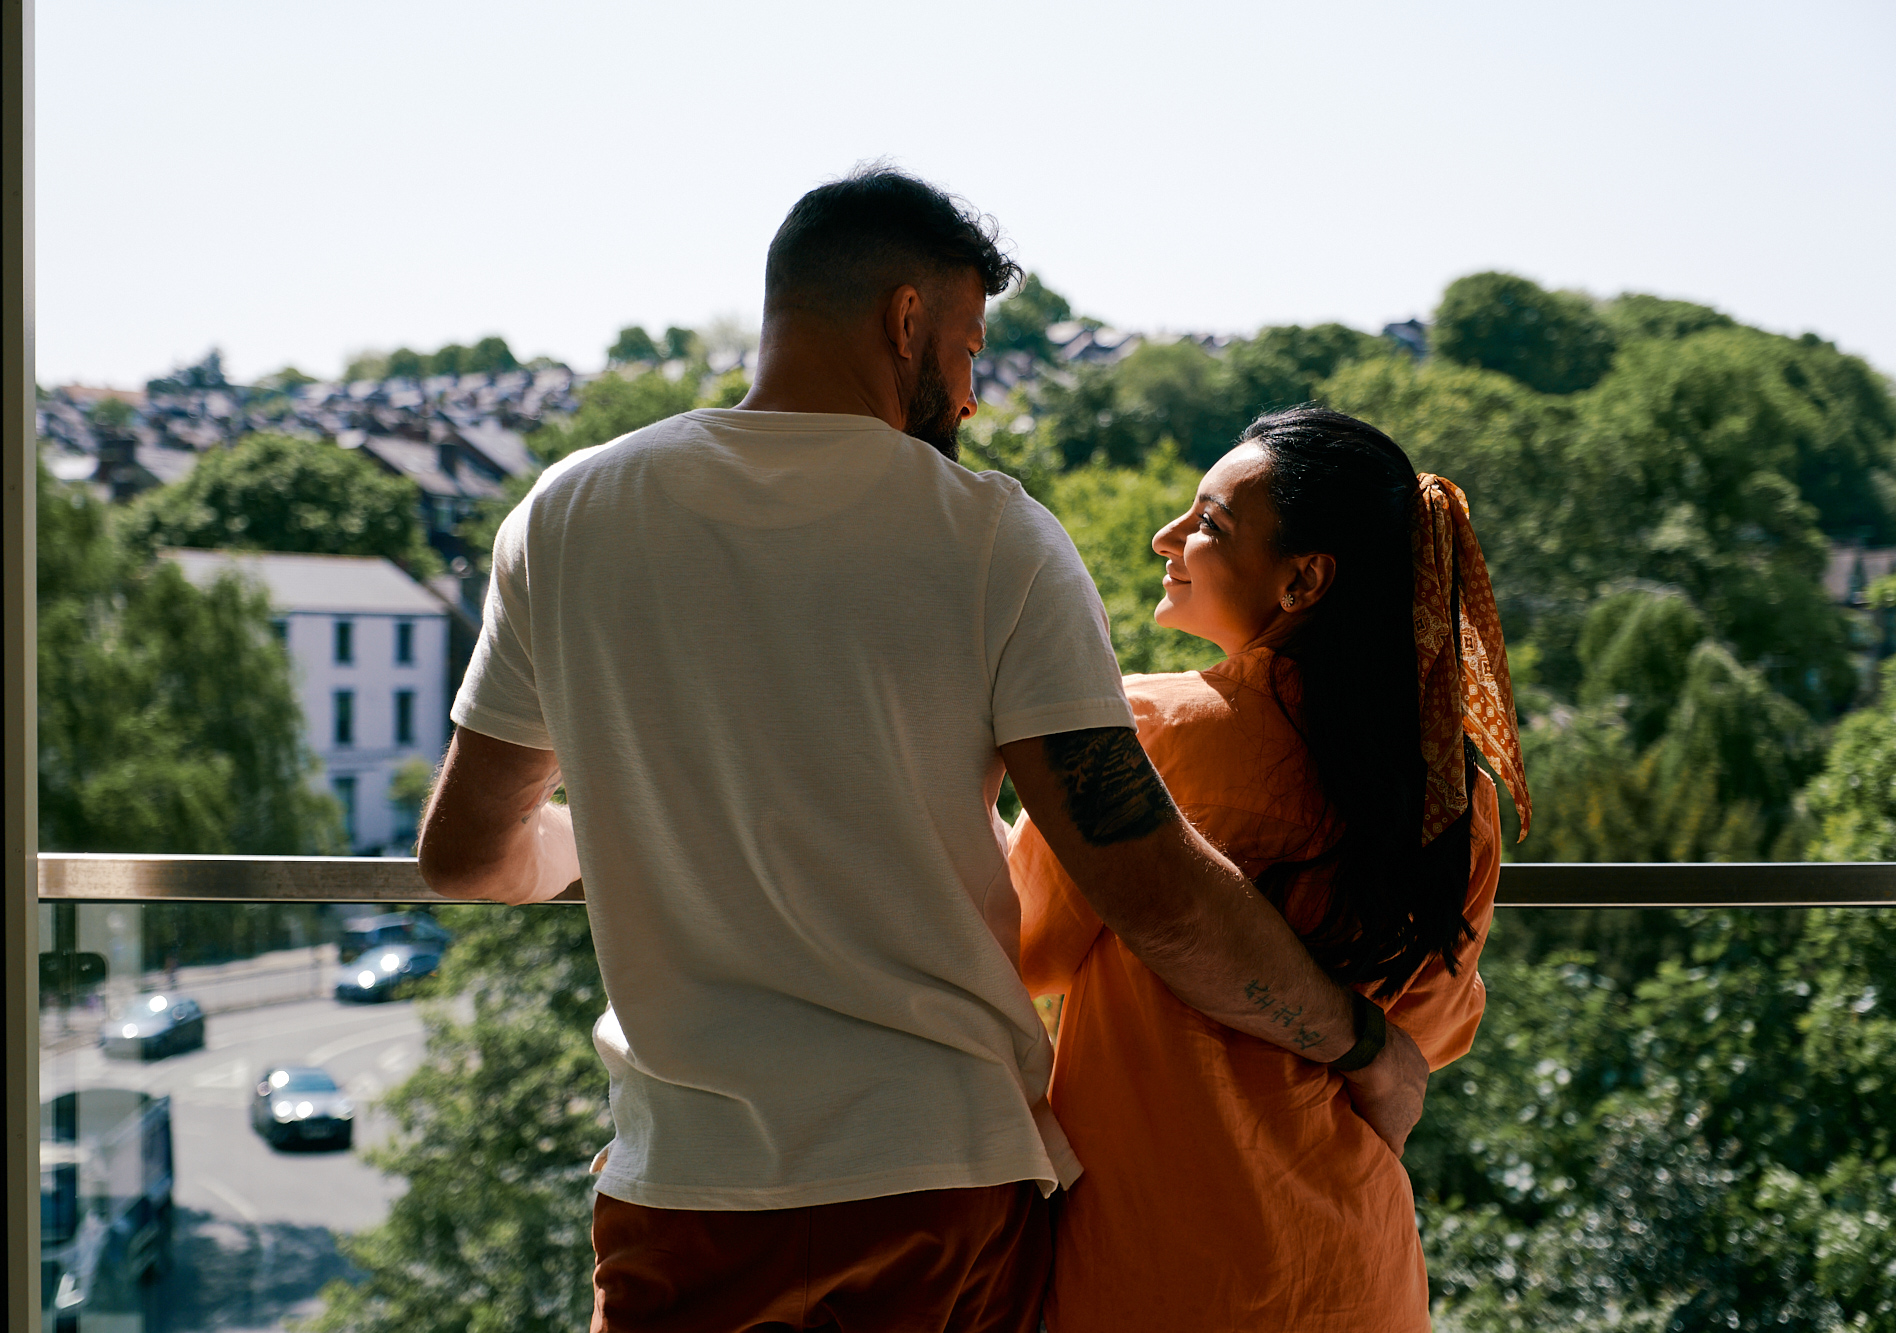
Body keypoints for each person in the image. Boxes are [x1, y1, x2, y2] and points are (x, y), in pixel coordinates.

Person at [416, 167, 1427, 1333]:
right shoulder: (993, 536)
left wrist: (626, 830)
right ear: (905, 319)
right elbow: (1147, 883)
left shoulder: (564, 513)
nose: (972, 396)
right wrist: (1361, 1042)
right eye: (968, 349)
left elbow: (468, 857)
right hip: (937, 1180)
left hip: (686, 1185)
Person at [1009, 405, 1531, 1332]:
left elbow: (1027, 948)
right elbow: (1433, 1033)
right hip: (1354, 1273)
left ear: (1304, 580)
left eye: (1208, 522)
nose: (1166, 535)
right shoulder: (1456, 799)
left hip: (1163, 1270)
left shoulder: (1150, 735)